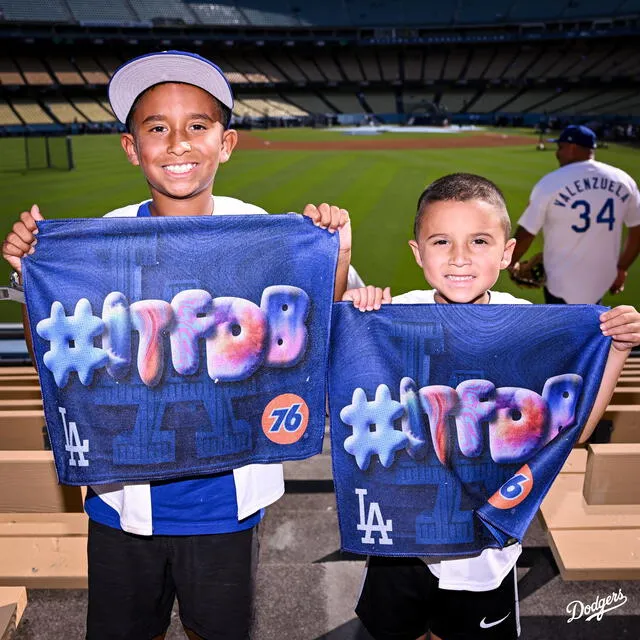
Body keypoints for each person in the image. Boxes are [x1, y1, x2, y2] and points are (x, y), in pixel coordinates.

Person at [1, 50, 355, 640]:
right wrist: (33, 279)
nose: (177, 143)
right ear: (130, 147)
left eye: (198, 125)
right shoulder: (101, 242)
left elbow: (312, 338)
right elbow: (57, 368)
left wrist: (334, 260)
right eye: (156, 128)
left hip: (227, 503)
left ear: (228, 142)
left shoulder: (263, 230)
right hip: (122, 501)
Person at [343, 172, 640, 640]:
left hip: (484, 552)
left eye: (479, 241)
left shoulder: (530, 330)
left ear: (506, 253)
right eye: (441, 241)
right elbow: (340, 370)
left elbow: (575, 430)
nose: (460, 258)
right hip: (402, 538)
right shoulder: (397, 314)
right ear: (418, 253)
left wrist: (617, 350)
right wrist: (360, 310)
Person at [509, 124, 640, 304]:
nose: (557, 153)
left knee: (563, 329)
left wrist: (510, 262)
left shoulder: (551, 182)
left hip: (560, 284)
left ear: (572, 147)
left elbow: (526, 233)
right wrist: (622, 268)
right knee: (592, 325)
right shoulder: (623, 180)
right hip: (601, 280)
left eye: (560, 148)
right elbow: (637, 229)